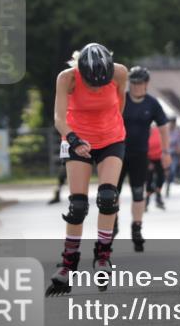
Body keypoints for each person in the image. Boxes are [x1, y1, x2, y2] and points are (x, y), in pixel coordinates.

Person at [46, 43, 128, 296]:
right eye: (92, 84)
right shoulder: (67, 78)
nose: (96, 88)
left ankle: (103, 256)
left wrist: (108, 130)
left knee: (107, 197)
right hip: (75, 138)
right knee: (78, 205)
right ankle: (68, 263)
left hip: (111, 139)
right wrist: (74, 140)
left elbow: (120, 105)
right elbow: (59, 118)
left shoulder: (119, 73)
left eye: (100, 84)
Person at [115, 66, 171, 251]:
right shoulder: (120, 99)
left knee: (138, 193)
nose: (137, 86)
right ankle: (112, 222)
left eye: (140, 83)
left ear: (146, 84)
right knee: (112, 193)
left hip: (140, 154)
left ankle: (136, 228)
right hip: (117, 152)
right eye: (134, 83)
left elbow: (163, 127)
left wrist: (166, 152)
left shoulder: (152, 103)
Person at [145, 125, 167, 210]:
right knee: (149, 179)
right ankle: (146, 201)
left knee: (161, 177)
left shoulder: (158, 131)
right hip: (149, 158)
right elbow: (143, 148)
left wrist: (165, 156)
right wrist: (148, 162)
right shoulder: (145, 133)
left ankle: (158, 196)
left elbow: (164, 144)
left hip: (159, 158)